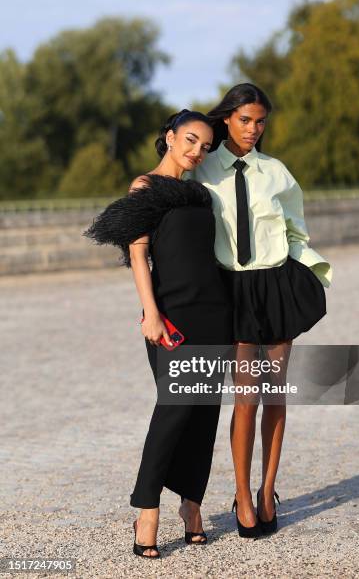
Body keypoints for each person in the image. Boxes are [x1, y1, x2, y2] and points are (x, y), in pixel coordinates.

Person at [83, 109, 232, 558]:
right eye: (190, 140)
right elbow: (138, 252)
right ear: (168, 137)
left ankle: (191, 505)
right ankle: (146, 508)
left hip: (215, 312)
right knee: (175, 407)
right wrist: (151, 312)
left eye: (205, 147)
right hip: (173, 315)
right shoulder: (145, 187)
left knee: (204, 412)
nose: (196, 152)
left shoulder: (201, 194)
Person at [191, 83, 332, 537]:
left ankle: (269, 490)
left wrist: (307, 274)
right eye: (246, 119)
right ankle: (242, 494)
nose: (254, 129)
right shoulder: (203, 171)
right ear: (228, 118)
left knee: (276, 395)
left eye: (261, 121)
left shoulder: (277, 172)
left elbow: (296, 231)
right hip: (231, 288)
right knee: (245, 399)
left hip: (275, 286)